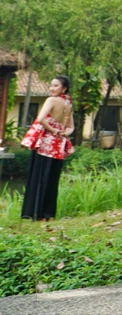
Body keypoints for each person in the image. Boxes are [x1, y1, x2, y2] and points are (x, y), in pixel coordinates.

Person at [20, 76, 74, 221]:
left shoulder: (51, 100)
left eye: (56, 86)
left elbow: (41, 118)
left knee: (38, 176)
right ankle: (48, 214)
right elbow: (71, 127)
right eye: (51, 85)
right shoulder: (68, 104)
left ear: (64, 88)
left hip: (44, 143)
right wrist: (61, 133)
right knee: (51, 179)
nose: (52, 88)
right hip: (58, 146)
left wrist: (52, 130)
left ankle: (35, 213)